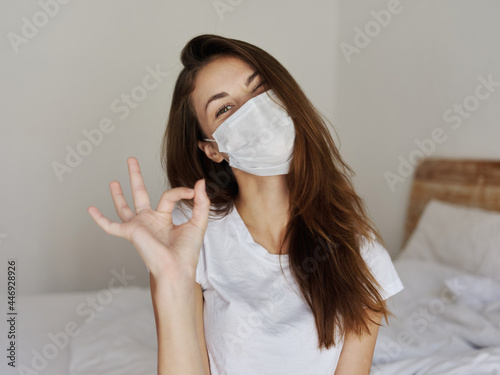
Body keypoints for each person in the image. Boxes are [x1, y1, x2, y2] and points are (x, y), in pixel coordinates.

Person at [88, 34, 404, 375]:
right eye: (224, 108)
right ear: (212, 149)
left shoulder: (361, 251)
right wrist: (170, 277)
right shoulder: (192, 231)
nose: (254, 110)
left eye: (259, 89)